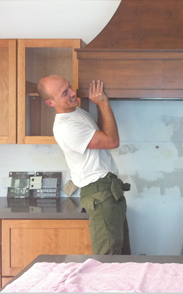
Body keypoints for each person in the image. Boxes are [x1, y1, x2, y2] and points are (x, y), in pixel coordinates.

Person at [37, 75, 130, 255]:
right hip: (100, 194)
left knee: (121, 255)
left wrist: (99, 105)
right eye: (65, 93)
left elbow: (102, 134)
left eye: (69, 87)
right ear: (50, 103)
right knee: (108, 258)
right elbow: (112, 141)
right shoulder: (67, 128)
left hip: (108, 191)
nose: (73, 93)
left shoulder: (76, 112)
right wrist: (103, 103)